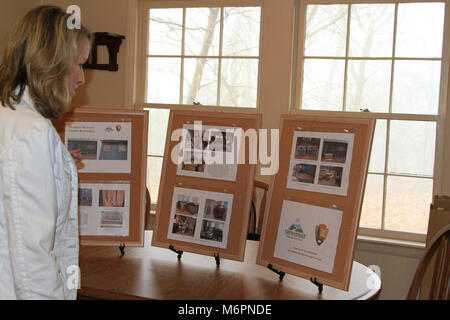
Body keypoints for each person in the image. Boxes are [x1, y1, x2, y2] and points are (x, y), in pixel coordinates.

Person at [0, 6, 91, 299]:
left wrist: (58, 166)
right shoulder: (32, 133)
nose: (81, 78)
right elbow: (32, 260)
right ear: (51, 63)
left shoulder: (11, 117)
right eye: (78, 65)